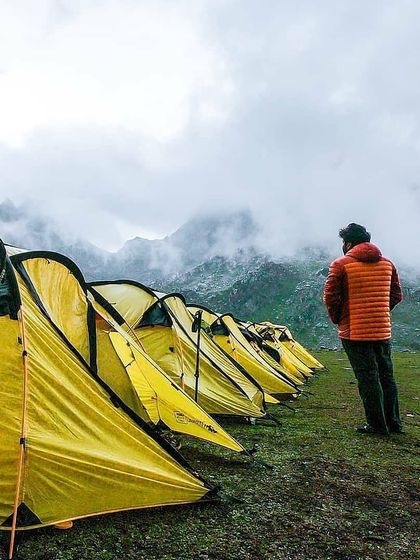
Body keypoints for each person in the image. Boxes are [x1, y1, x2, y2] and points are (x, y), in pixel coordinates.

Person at [323, 223, 403, 435]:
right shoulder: (387, 264)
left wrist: (339, 319)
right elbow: (396, 295)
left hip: (355, 332)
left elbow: (330, 297)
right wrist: (380, 312)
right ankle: (394, 422)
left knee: (368, 378)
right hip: (382, 331)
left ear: (348, 243)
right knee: (386, 376)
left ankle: (377, 425)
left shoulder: (341, 265)